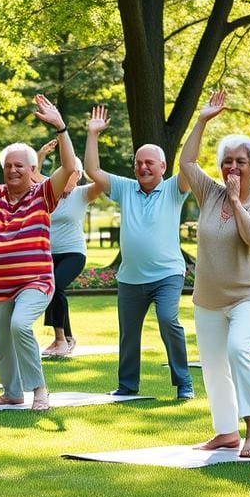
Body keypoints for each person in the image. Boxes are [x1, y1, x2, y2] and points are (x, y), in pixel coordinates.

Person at [0, 95, 76, 411]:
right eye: (8, 166)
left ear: (32, 168)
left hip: (36, 280)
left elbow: (69, 166)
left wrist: (61, 127)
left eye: (19, 165)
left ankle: (40, 389)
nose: (12, 170)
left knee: (20, 325)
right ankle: (12, 392)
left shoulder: (44, 194)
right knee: (3, 343)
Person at [178, 91, 250, 458]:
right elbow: (187, 162)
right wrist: (202, 120)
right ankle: (225, 432)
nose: (232, 168)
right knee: (214, 366)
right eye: (227, 162)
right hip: (209, 298)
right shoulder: (209, 193)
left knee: (238, 350)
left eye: (240, 162)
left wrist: (236, 200)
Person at [84, 106, 195, 400]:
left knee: (168, 320)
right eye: (138, 163)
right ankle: (127, 385)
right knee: (128, 334)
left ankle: (183, 382)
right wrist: (92, 134)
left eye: (149, 163)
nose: (143, 168)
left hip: (168, 274)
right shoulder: (125, 188)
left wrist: (202, 120)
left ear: (162, 166)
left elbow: (189, 163)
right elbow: (92, 171)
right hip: (131, 278)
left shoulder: (175, 189)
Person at [34, 141, 103, 357]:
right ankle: (66, 338)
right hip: (48, 254)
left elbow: (101, 182)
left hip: (73, 253)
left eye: (73, 172)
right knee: (52, 290)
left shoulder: (83, 194)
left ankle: (61, 340)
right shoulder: (49, 189)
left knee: (54, 287)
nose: (68, 175)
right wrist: (42, 152)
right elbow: (32, 172)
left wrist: (93, 144)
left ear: (79, 175)